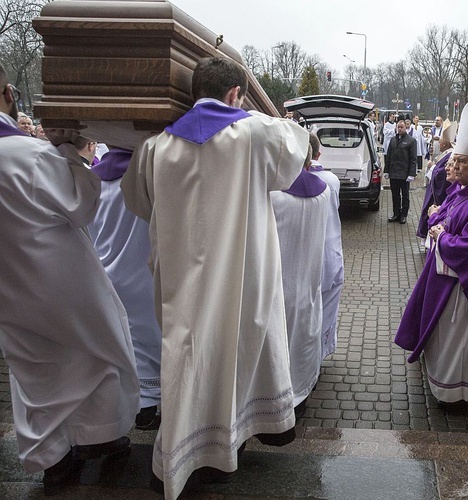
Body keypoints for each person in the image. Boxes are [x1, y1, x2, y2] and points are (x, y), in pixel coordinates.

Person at [122, 57, 308, 499]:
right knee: (237, 353)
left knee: (189, 360)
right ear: (233, 95)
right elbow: (297, 150)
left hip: (183, 282)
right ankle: (229, 445)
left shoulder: (157, 147)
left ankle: (183, 455)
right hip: (243, 277)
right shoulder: (255, 134)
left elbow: (137, 199)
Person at [0, 61, 139, 496]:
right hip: (62, 285)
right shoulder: (27, 155)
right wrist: (73, 150)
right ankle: (102, 437)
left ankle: (53, 462)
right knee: (100, 356)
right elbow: (81, 204)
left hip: (9, 290)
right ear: (8, 93)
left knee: (35, 374)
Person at [395, 101, 468, 406]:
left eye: (460, 162)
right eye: (454, 161)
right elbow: (444, 217)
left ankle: (456, 392)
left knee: (456, 339)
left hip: (465, 290)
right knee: (442, 336)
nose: (453, 167)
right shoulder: (464, 191)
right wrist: (440, 227)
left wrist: (443, 236)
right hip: (446, 278)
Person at [87, 148, 163, 431]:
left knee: (127, 343)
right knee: (153, 342)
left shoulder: (90, 179)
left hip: (107, 274)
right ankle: (154, 402)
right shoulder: (148, 175)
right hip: (143, 273)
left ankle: (138, 405)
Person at [271, 147, 330, 417]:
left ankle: (278, 399)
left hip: (278, 280)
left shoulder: (273, 195)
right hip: (308, 281)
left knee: (279, 343)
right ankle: (301, 395)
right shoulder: (324, 192)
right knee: (304, 337)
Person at [308, 133, 345, 360]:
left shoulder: (288, 180)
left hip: (306, 256)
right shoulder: (332, 180)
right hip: (330, 252)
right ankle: (319, 355)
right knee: (327, 310)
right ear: (319, 153)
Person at [417, 121, 456, 241]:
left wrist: (433, 167)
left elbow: (442, 174)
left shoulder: (450, 154)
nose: (439, 142)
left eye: (440, 141)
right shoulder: (445, 153)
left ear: (445, 143)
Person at [384, 119, 417, 224]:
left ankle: (404, 215)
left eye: (402, 127)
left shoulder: (411, 141)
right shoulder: (393, 140)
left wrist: (411, 174)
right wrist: (387, 170)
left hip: (404, 173)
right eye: (398, 127)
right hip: (394, 172)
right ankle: (396, 213)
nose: (400, 129)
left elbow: (413, 159)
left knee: (405, 195)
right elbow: (388, 156)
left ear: (405, 128)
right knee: (395, 195)